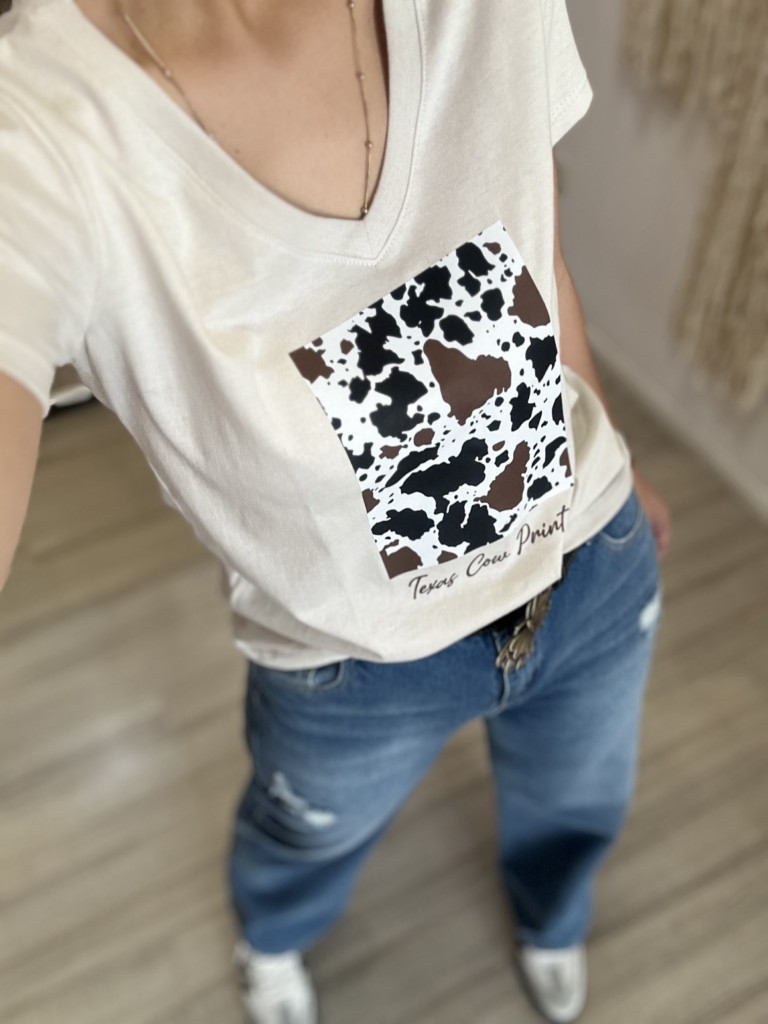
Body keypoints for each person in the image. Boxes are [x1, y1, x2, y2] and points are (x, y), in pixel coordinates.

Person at [0, 0, 672, 1021]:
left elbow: (532, 252)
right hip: (352, 668)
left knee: (579, 798)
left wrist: (611, 447)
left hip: (593, 564)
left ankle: (553, 915)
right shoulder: (42, 127)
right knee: (299, 841)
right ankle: (272, 936)